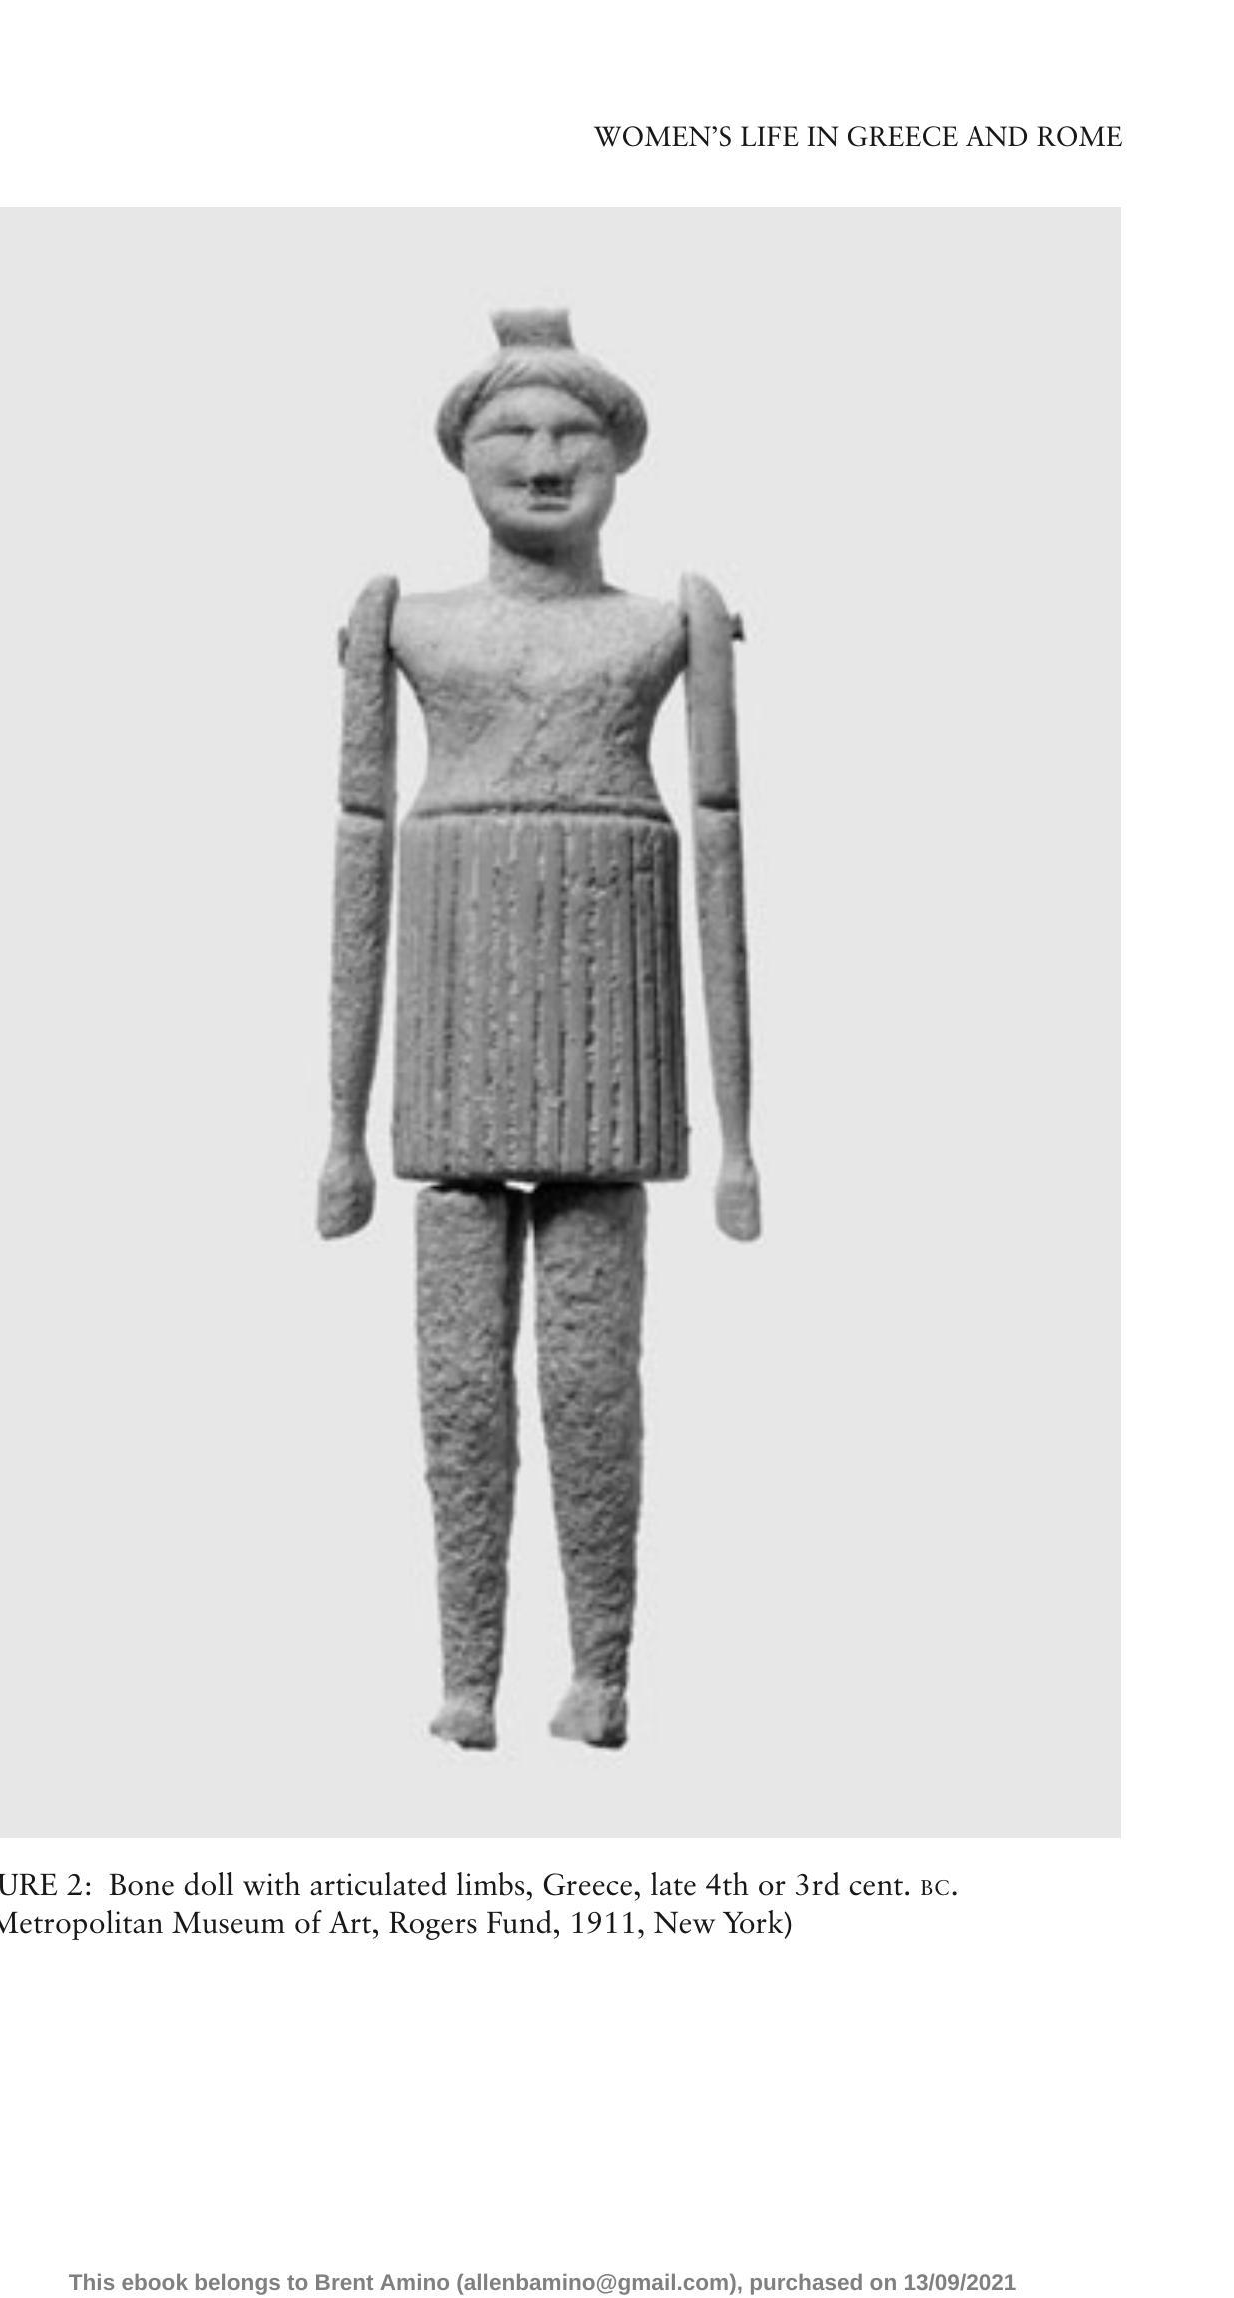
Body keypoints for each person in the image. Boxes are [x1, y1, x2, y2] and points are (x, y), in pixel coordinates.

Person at [318, 311, 759, 1750]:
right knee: (458, 1381)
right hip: (457, 1014)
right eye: (513, 431)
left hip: (606, 1024)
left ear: (622, 457)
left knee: (588, 1375)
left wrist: (742, 1136)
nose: (546, 456)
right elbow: (359, 850)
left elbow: (721, 846)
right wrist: (339, 1130)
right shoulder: (408, 621)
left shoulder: (664, 624)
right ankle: (465, 1679)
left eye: (575, 432)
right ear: (463, 457)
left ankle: (601, 1674)